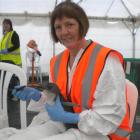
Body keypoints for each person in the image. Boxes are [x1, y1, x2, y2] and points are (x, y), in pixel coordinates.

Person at [0, 1, 131, 140]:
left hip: (102, 132)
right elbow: (57, 100)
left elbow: (109, 117)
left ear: (81, 25)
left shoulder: (106, 59)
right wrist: (39, 96)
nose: (63, 32)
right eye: (58, 27)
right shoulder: (56, 62)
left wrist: (72, 117)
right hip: (68, 123)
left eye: (69, 24)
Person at [0, 18, 22, 100]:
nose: (5, 25)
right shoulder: (4, 36)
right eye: (4, 24)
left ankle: (16, 95)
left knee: (12, 79)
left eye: (7, 24)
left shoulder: (13, 33)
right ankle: (9, 94)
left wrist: (7, 50)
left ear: (10, 25)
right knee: (6, 79)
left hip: (12, 61)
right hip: (4, 61)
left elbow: (17, 45)